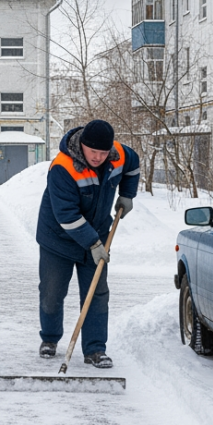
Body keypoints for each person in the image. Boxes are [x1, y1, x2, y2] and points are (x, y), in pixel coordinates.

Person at [35, 119, 140, 368]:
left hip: (97, 232)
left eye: (103, 152)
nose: (98, 157)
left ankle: (95, 349)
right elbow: (66, 216)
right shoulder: (63, 167)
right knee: (52, 292)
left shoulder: (118, 155)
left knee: (96, 292)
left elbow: (133, 164)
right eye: (93, 151)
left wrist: (127, 194)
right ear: (81, 145)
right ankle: (49, 338)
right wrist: (93, 244)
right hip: (58, 238)